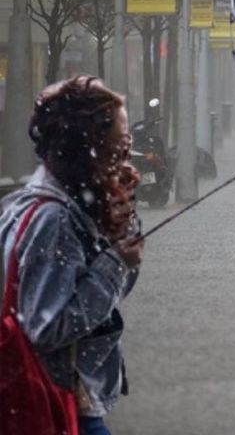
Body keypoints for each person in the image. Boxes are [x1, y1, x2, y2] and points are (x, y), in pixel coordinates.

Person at [0, 76, 145, 434]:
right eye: (120, 141)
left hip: (65, 396)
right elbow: (47, 326)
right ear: (90, 146)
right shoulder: (55, 219)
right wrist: (114, 265)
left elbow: (101, 304)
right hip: (56, 400)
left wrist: (117, 230)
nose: (127, 151)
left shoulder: (48, 202)